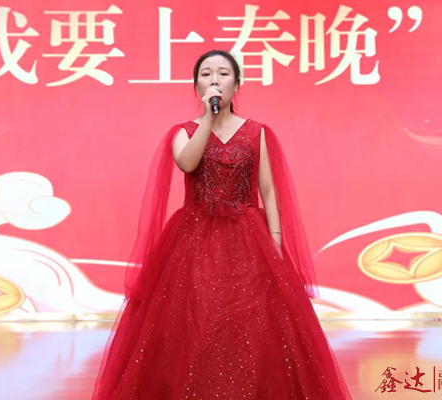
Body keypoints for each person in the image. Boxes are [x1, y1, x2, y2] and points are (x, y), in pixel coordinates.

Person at [91, 49, 352, 399]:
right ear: (196, 86)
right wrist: (207, 119)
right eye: (206, 74)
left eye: (223, 74)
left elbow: (268, 190)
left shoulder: (258, 132)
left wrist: (275, 240)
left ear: (237, 84)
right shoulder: (182, 132)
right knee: (196, 320)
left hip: (249, 237)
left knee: (253, 323)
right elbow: (187, 163)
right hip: (194, 239)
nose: (215, 79)